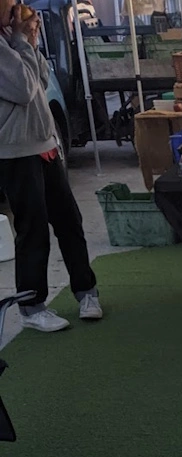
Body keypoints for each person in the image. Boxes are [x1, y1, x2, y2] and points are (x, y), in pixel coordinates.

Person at [0, 0, 101, 333]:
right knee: (33, 230)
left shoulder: (12, 38)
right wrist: (19, 39)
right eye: (11, 5)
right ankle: (32, 306)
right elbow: (24, 89)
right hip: (15, 151)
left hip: (45, 144)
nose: (19, 10)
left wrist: (30, 42)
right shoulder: (3, 44)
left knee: (69, 220)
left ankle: (86, 291)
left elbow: (42, 78)